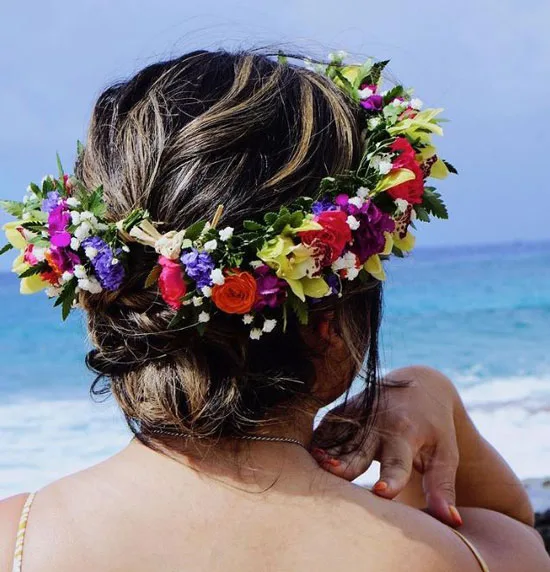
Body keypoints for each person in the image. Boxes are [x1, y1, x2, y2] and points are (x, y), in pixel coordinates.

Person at [0, 49, 548, 571]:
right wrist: (431, 390)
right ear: (330, 325)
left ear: (105, 297)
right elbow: (508, 526)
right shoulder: (453, 556)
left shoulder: (16, 543)